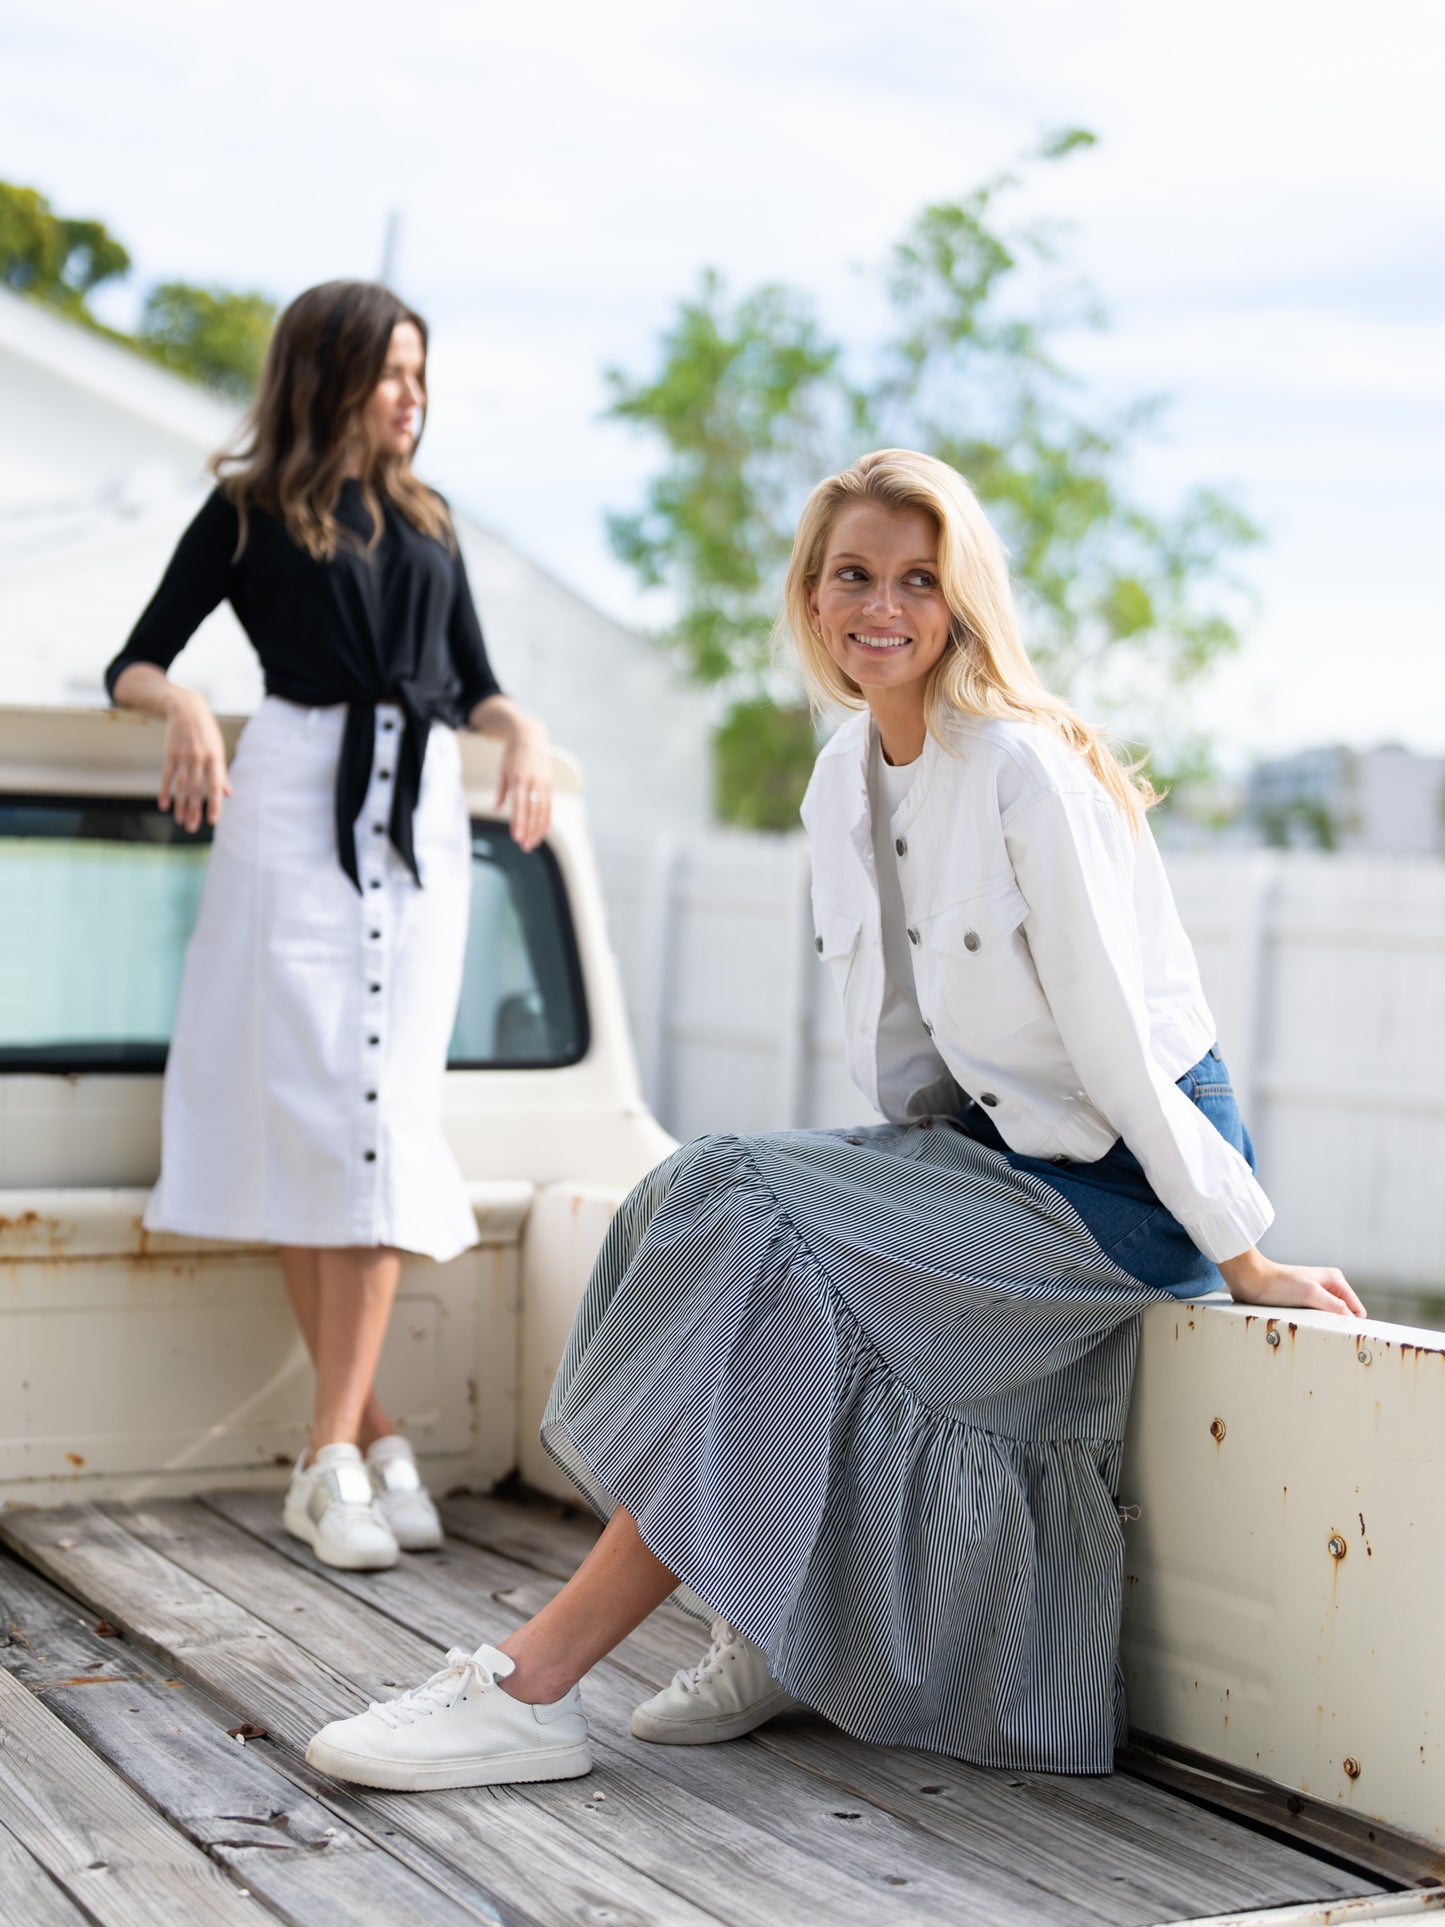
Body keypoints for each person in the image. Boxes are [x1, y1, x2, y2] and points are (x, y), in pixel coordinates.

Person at [304, 448, 1363, 1791]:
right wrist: (879, 1192)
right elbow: (906, 1047)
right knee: (707, 1194)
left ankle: (533, 1684)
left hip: (1120, 1193)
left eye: (918, 579)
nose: (883, 604)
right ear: (808, 599)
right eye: (852, 575)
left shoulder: (1022, 773)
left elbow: (1118, 1051)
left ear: (959, 603)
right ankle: (766, 1611)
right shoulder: (838, 780)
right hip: (981, 1160)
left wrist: (1241, 1249)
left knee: (755, 1207)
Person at [106, 281, 553, 1573]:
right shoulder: (250, 509)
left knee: (373, 1124)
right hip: (293, 811)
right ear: (330, 376)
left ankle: (355, 1439)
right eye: (393, 373)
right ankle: (337, 1456)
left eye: (423, 374)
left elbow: (473, 687)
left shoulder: (428, 517)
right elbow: (135, 659)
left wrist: (522, 732)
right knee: (325, 1125)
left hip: (414, 834)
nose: (414, 397)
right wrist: (186, 708)